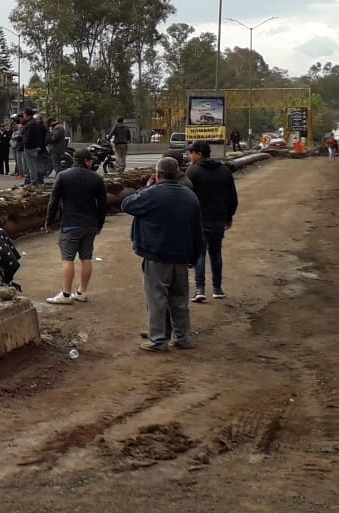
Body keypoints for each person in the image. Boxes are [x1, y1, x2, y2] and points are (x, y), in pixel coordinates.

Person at [120, 156, 203, 351]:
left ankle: (157, 340)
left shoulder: (152, 194)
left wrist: (147, 187)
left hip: (157, 255)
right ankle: (182, 338)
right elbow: (197, 231)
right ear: (177, 173)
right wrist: (194, 256)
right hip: (182, 256)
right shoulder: (190, 196)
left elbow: (127, 204)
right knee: (179, 300)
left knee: (157, 299)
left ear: (157, 175)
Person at [44, 148, 108, 304]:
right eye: (90, 160)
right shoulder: (97, 179)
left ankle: (66, 294)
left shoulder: (63, 176)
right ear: (86, 161)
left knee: (68, 259)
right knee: (86, 258)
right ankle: (81, 292)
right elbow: (102, 205)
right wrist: (99, 224)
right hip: (90, 224)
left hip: (70, 224)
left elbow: (53, 201)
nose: (92, 162)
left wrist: (49, 221)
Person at [186, 140, 238, 302]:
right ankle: (217, 288)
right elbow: (232, 197)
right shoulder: (224, 171)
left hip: (199, 220)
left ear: (199, 154)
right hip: (218, 219)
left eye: (191, 153)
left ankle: (200, 289)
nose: (190, 156)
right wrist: (229, 216)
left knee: (200, 253)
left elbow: (186, 197)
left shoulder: (193, 172)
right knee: (216, 253)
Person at [20, 111, 48, 185]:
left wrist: (25, 142)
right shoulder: (38, 126)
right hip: (37, 147)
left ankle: (35, 181)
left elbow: (30, 137)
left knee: (32, 165)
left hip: (34, 147)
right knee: (36, 165)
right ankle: (38, 180)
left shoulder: (33, 125)